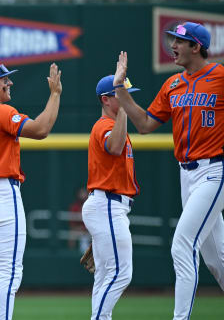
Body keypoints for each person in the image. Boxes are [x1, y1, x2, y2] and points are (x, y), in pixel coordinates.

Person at [112, 22, 224, 319]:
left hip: (214, 170)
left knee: (183, 244)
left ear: (196, 46)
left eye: (179, 41)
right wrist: (119, 89)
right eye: (173, 39)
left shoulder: (220, 76)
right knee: (217, 260)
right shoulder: (173, 84)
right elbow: (146, 124)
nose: (173, 45)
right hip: (186, 175)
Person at [0, 62, 62, 320]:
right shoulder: (0, 111)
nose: (10, 83)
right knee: (9, 270)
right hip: (1, 196)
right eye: (4, 79)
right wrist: (55, 94)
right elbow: (41, 130)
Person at [82, 75, 141, 320]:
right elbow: (115, 148)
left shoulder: (116, 126)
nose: (128, 98)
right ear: (106, 100)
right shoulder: (104, 126)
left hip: (109, 206)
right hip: (107, 204)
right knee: (120, 273)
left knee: (106, 275)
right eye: (122, 95)